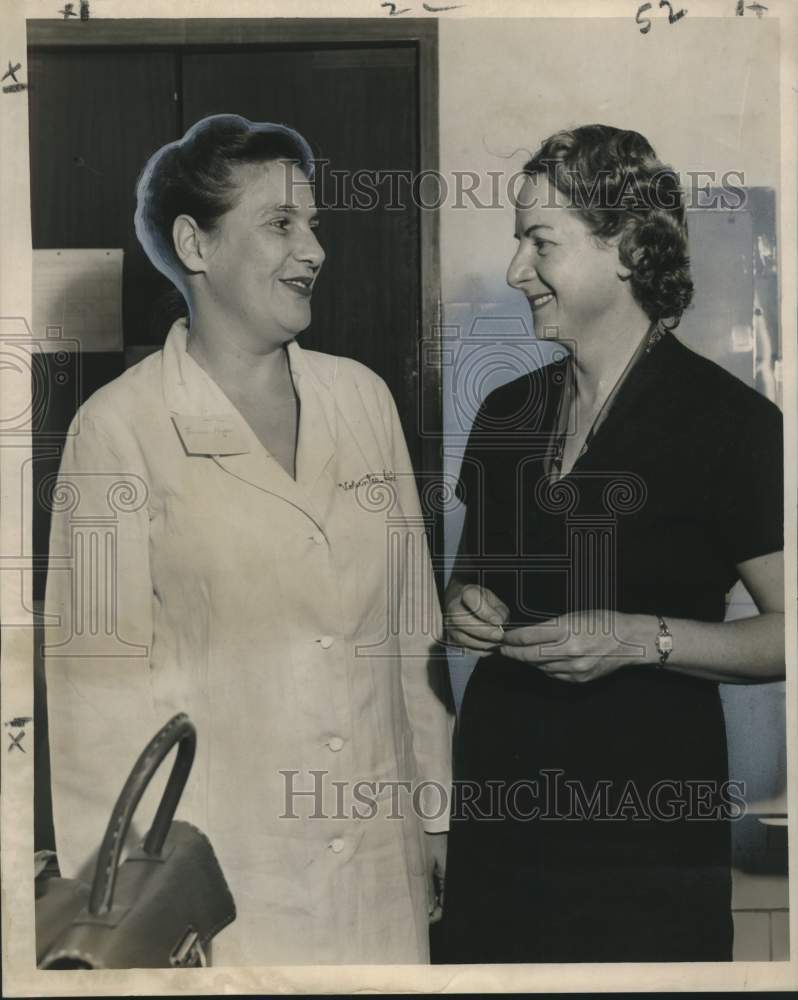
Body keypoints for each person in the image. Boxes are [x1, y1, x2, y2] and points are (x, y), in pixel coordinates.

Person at [44, 114, 453, 965]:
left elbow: (412, 640)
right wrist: (123, 918)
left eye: (313, 225)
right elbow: (93, 706)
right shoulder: (117, 430)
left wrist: (435, 818)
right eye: (280, 224)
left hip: (380, 875)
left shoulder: (363, 401)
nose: (314, 249)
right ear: (195, 243)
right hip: (225, 896)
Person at [436, 125, 784, 963]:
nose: (519, 270)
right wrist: (465, 609)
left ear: (626, 247)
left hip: (644, 838)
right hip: (500, 821)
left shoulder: (730, 425)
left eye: (539, 241)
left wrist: (643, 639)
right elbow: (468, 585)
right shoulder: (506, 412)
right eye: (519, 242)